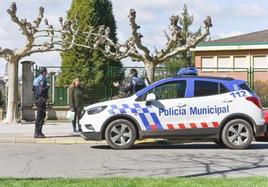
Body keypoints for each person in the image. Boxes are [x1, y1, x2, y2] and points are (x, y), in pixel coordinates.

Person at [33, 67, 49, 138]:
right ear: (44, 72)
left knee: (40, 115)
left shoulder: (36, 79)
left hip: (37, 99)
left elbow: (33, 89)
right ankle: (38, 133)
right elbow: (41, 90)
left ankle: (38, 132)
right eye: (46, 72)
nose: (47, 73)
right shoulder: (42, 79)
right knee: (41, 116)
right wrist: (47, 87)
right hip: (41, 99)